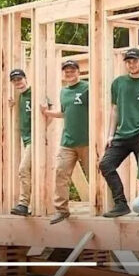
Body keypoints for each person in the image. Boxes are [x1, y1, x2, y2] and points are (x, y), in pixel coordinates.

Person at [100, 47, 139, 218]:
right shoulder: (118, 83)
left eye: (134, 61)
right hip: (121, 135)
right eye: (128, 62)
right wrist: (110, 134)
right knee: (105, 165)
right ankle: (121, 203)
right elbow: (114, 110)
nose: (131, 64)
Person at [41, 59, 90, 225]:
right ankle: (61, 210)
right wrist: (47, 112)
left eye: (72, 70)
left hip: (87, 141)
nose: (69, 73)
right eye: (66, 71)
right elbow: (64, 113)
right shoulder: (64, 91)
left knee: (96, 175)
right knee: (61, 174)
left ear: (78, 71)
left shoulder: (87, 88)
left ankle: (102, 206)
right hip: (67, 141)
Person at [9, 68, 33, 216]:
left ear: (25, 79)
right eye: (15, 81)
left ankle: (23, 204)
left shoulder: (34, 93)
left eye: (20, 79)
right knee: (29, 171)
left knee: (23, 169)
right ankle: (29, 204)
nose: (18, 82)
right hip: (25, 138)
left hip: (34, 139)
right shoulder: (20, 97)